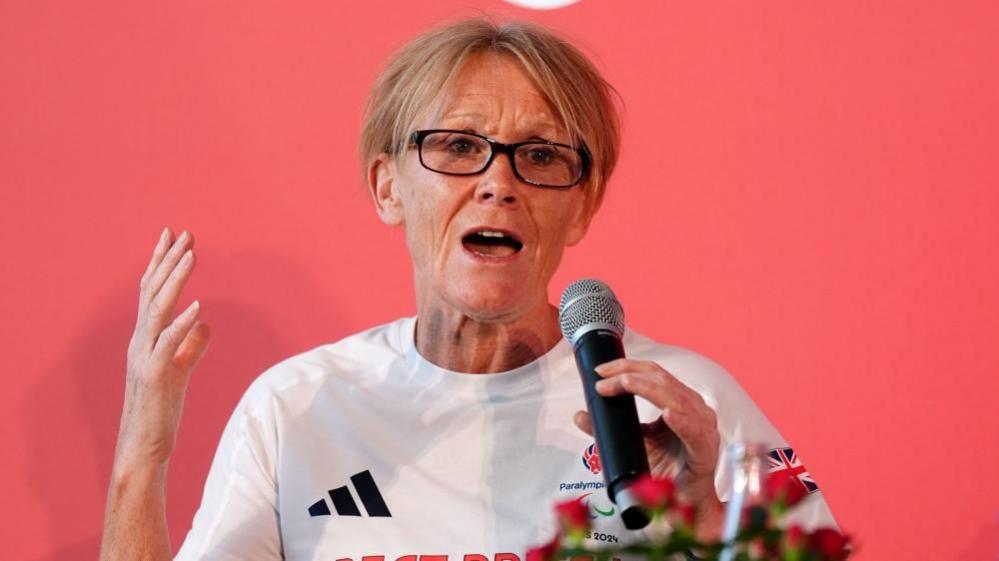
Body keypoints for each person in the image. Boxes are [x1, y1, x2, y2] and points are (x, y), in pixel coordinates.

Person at [99, 17, 838, 561]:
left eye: (540, 155)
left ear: (581, 203)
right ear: (388, 187)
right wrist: (144, 450)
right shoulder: (297, 407)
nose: (498, 183)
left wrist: (711, 526)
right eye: (457, 146)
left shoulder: (683, 402)